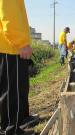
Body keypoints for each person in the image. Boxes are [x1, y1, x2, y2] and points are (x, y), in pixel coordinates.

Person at [0, 0, 33, 134]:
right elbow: (10, 17)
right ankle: (11, 130)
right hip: (11, 47)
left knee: (16, 88)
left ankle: (19, 121)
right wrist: (22, 43)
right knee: (12, 90)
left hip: (11, 46)